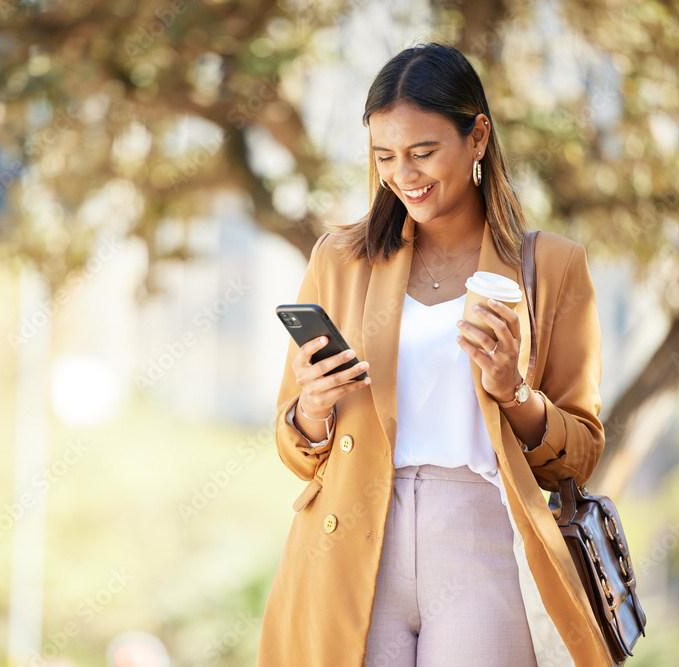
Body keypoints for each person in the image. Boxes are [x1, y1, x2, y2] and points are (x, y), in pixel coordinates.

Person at [256, 43, 614, 666]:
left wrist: (513, 392)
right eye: (385, 157)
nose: (405, 174)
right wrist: (313, 406)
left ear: (477, 137)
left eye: (424, 152)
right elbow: (296, 448)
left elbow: (578, 454)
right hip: (351, 539)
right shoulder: (339, 261)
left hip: (479, 537)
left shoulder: (552, 267)